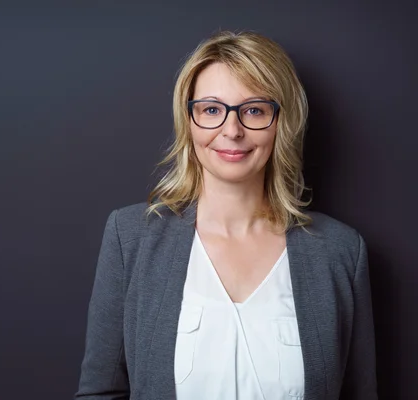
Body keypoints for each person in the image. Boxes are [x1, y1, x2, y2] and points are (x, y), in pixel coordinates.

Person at [75, 30, 377, 400]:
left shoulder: (340, 252)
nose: (231, 130)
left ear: (282, 122)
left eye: (254, 110)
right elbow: (100, 393)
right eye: (212, 110)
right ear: (189, 120)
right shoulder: (131, 238)